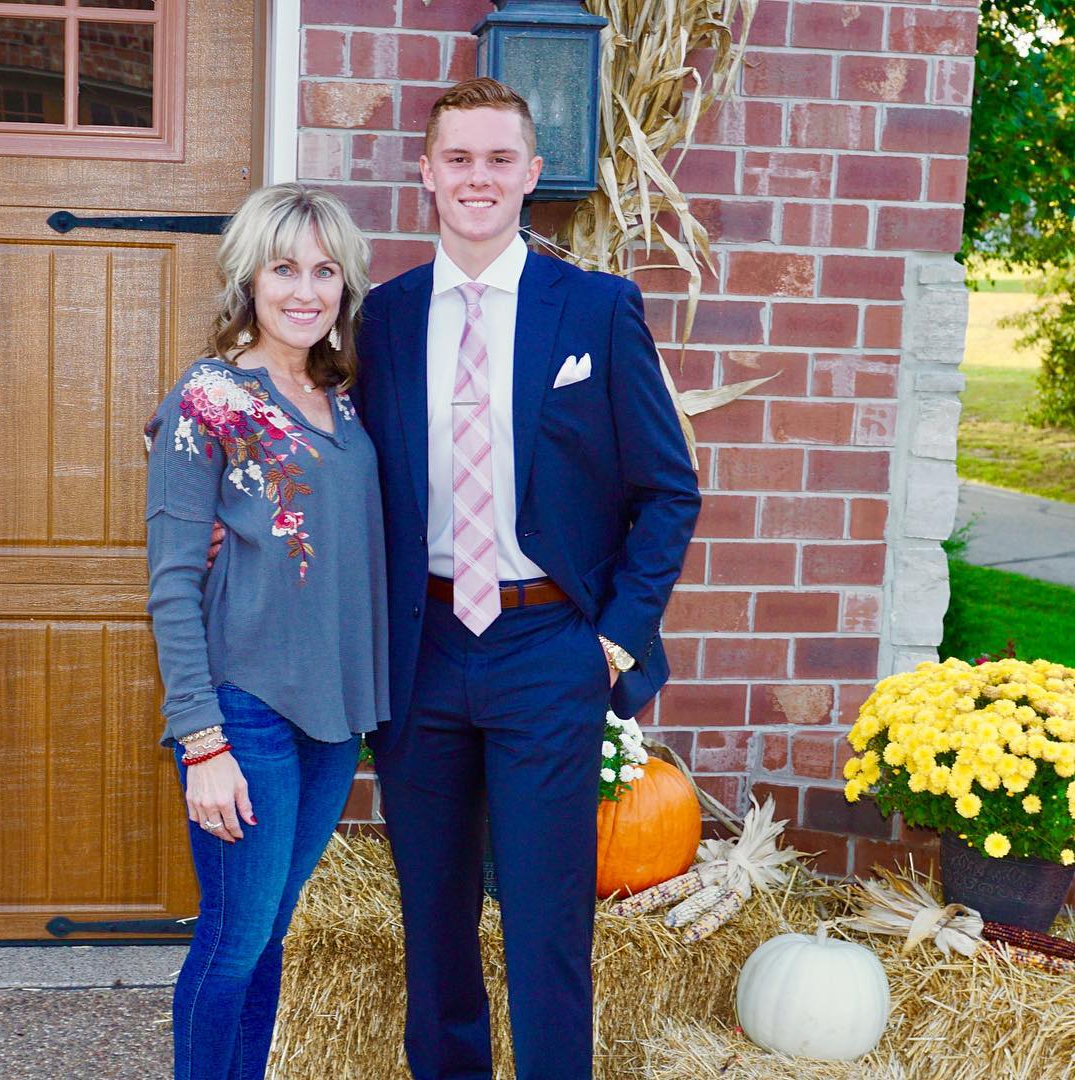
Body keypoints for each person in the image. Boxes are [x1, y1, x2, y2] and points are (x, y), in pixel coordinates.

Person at [356, 78, 701, 1079]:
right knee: (434, 917)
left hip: (549, 648)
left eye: (498, 159)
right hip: (421, 650)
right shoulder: (382, 318)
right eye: (457, 158)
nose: (477, 178)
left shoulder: (594, 310)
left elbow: (668, 491)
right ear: (425, 172)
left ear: (531, 175)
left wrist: (613, 638)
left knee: (549, 925)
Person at [144, 183, 389, 1080]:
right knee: (233, 937)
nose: (304, 290)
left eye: (325, 270)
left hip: (333, 717)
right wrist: (200, 739)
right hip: (243, 710)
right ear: (248, 276)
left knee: (271, 932)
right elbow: (171, 583)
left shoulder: (344, 397)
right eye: (284, 267)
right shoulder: (208, 399)